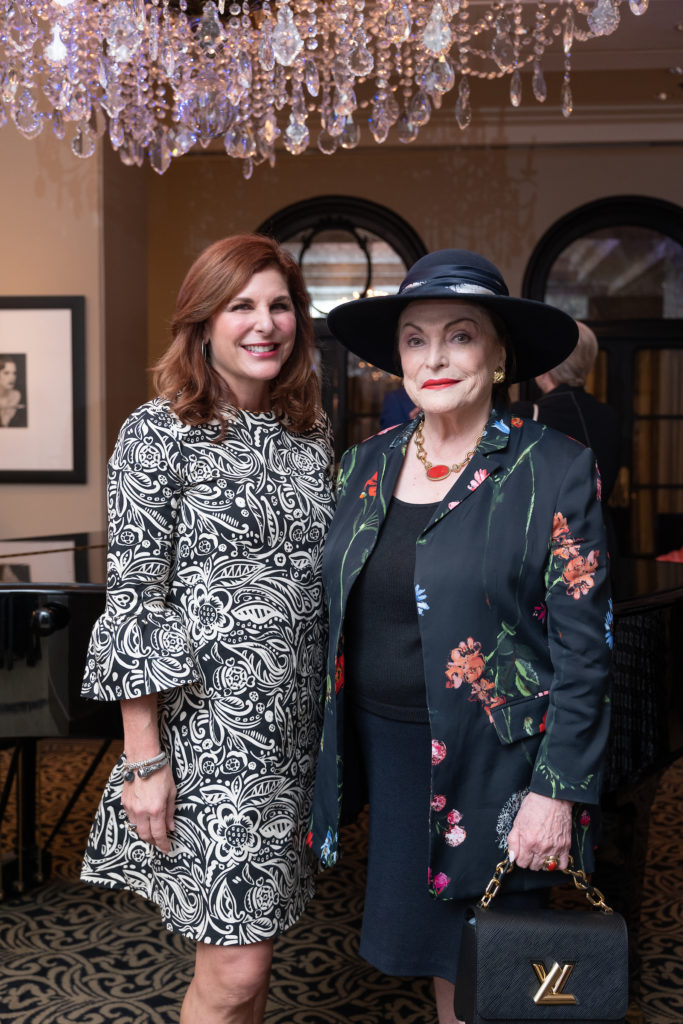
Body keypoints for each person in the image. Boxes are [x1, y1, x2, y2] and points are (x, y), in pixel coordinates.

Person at [309, 250, 612, 1024]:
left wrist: (556, 792)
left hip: (498, 767)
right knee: (441, 968)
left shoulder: (554, 468)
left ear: (499, 352)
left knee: (488, 980)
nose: (434, 357)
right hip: (390, 757)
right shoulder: (362, 466)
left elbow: (585, 652)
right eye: (415, 338)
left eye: (459, 335)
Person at [80, 235, 335, 1024]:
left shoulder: (311, 434)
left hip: (293, 738)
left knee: (250, 967)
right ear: (203, 322)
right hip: (208, 742)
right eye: (242, 307)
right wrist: (143, 757)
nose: (265, 324)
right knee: (232, 972)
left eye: (280, 305)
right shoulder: (157, 433)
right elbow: (135, 601)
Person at [510, 320, 621, 501]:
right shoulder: (608, 416)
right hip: (599, 526)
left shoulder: (525, 415)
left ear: (549, 364)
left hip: (547, 528)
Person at [0, 356, 24, 427]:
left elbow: (4, 424)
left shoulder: (15, 395)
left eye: (14, 373)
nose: (12, 377)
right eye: (6, 373)